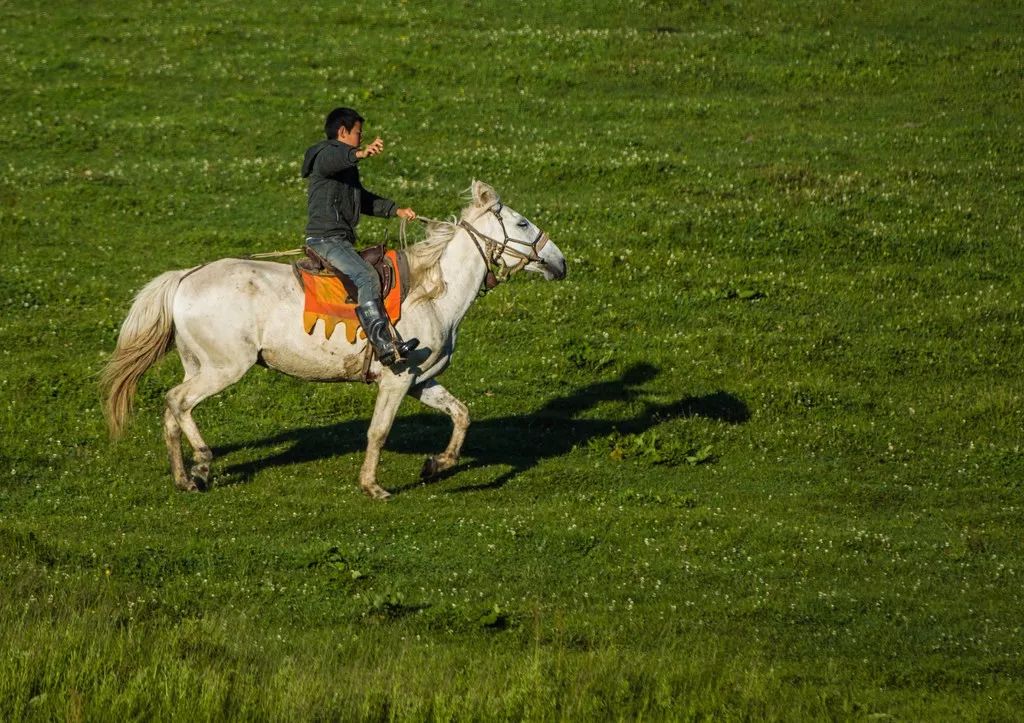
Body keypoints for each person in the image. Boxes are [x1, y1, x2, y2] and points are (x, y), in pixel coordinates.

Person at [301, 107, 418, 366]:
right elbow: (338, 158)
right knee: (366, 276)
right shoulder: (326, 155)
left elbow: (361, 199)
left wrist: (394, 209)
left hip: (337, 240)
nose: (360, 138)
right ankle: (384, 345)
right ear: (342, 132)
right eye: (358, 133)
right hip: (326, 240)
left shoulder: (346, 165)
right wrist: (361, 153)